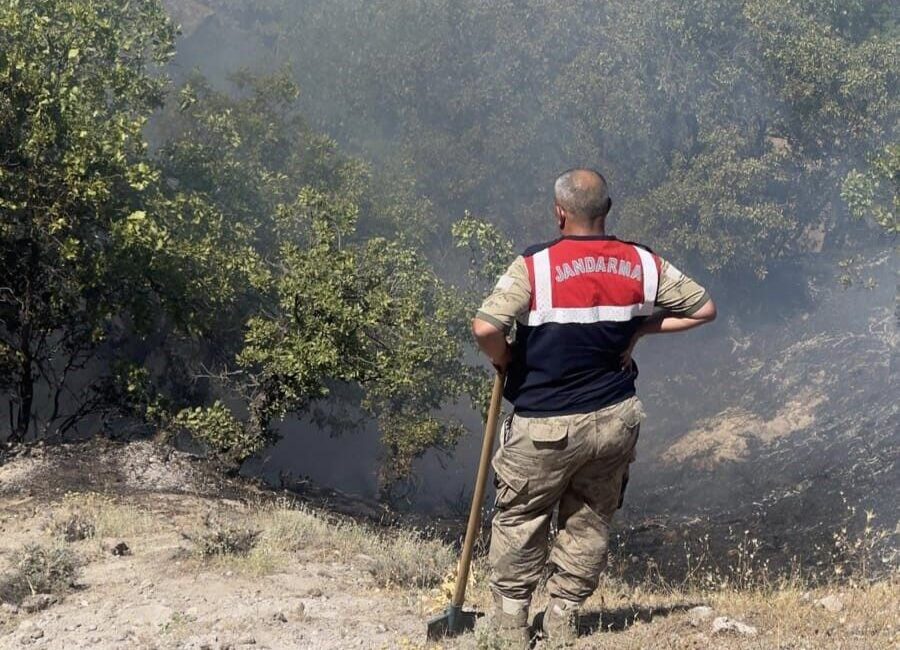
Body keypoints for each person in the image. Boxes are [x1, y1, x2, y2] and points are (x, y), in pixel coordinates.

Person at [472, 169, 717, 646]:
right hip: (614, 421)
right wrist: (638, 330)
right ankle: (562, 619)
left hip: (544, 424)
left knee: (521, 522)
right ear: (606, 211)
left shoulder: (536, 266)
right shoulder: (643, 262)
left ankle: (511, 629)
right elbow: (703, 308)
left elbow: (485, 327)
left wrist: (507, 359)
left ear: (560, 213)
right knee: (589, 519)